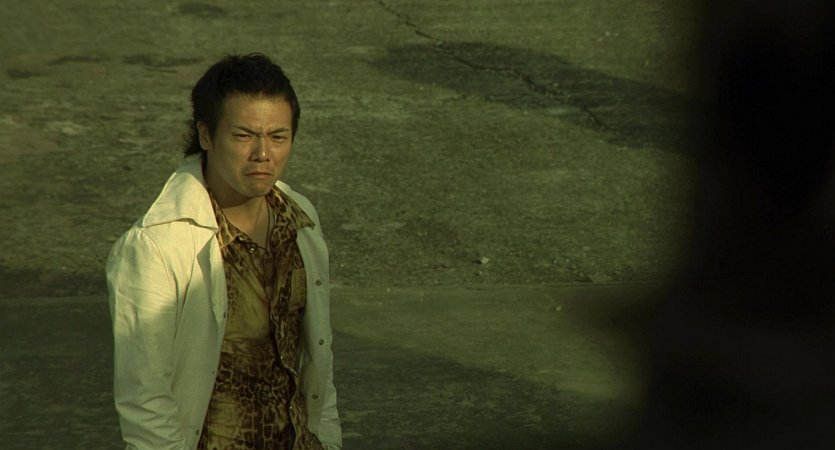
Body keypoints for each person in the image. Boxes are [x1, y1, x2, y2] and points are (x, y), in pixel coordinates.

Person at [106, 53, 342, 450]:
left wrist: (328, 439)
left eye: (278, 137)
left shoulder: (300, 220)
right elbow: (145, 399)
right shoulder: (155, 247)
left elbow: (316, 356)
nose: (263, 154)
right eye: (244, 136)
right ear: (206, 135)